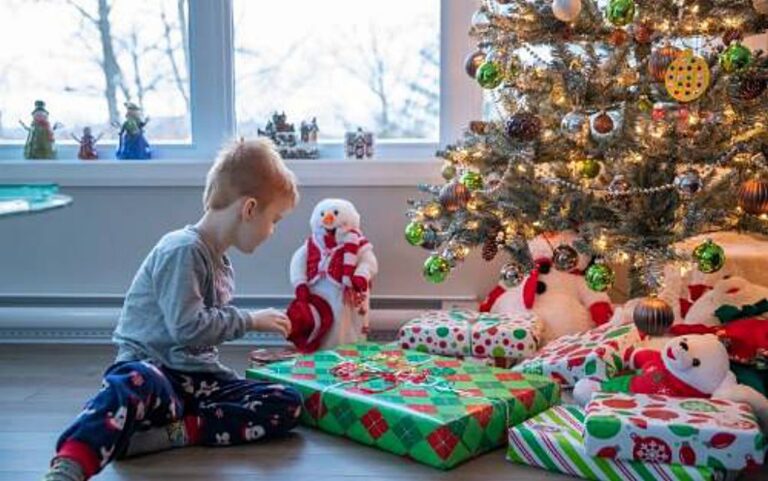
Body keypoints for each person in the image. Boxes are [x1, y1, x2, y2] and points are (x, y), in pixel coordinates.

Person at [44, 139, 301, 481]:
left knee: (285, 400)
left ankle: (179, 432)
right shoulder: (182, 250)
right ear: (250, 208)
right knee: (131, 382)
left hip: (195, 382)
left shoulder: (221, 265)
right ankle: (70, 465)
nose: (273, 231)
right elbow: (188, 328)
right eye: (276, 219)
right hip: (155, 375)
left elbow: (199, 344)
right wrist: (251, 320)